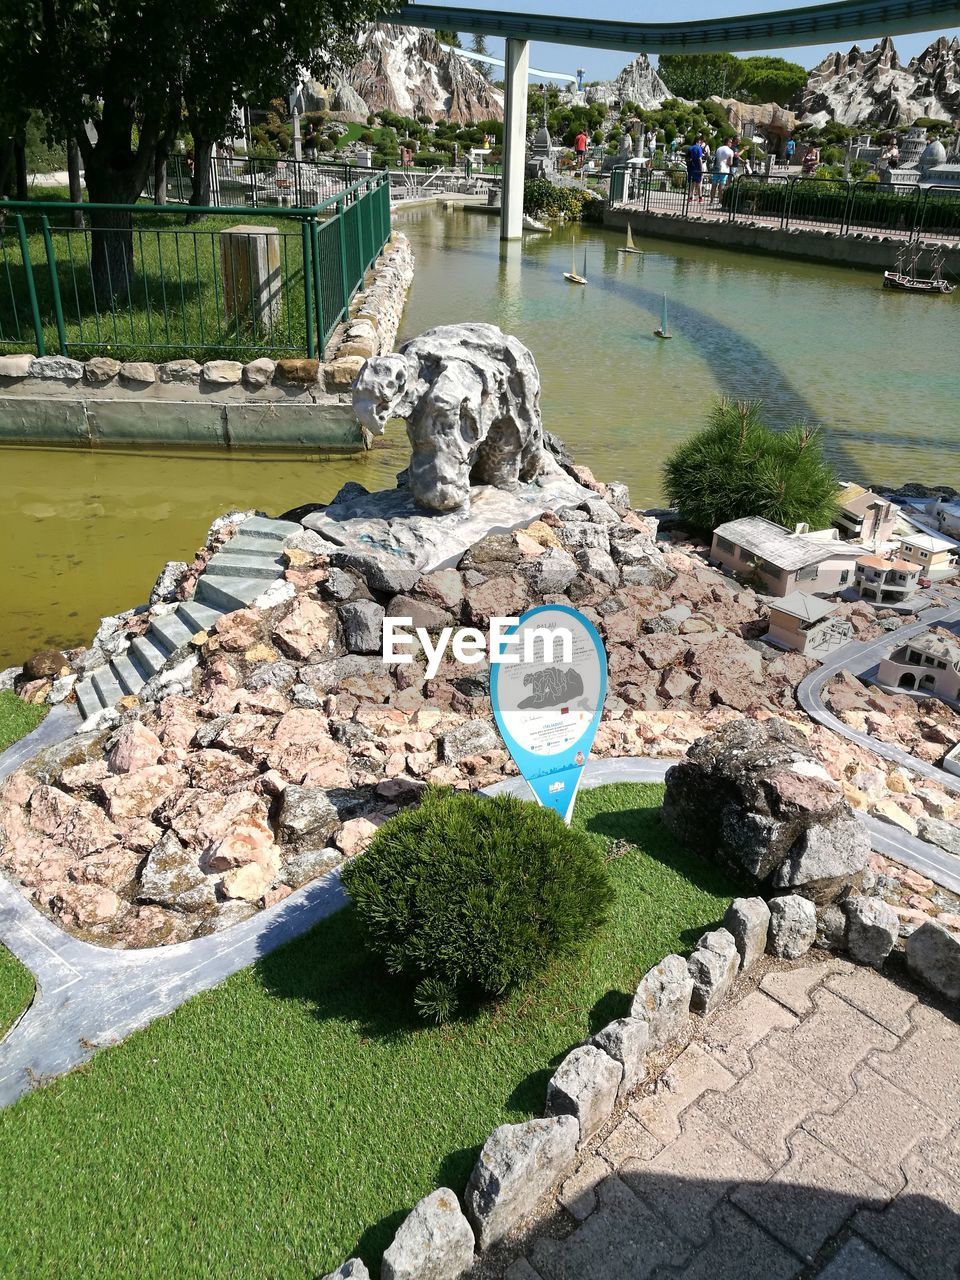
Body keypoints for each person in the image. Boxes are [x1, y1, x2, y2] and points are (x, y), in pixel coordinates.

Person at [711, 135, 734, 203]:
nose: (731, 143)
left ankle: (711, 201)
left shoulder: (719, 149)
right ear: (727, 142)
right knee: (721, 186)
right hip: (724, 170)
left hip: (716, 168)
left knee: (714, 185)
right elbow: (730, 163)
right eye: (730, 142)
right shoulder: (730, 151)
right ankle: (720, 201)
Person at [686, 133, 705, 202]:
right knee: (698, 183)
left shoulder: (690, 148)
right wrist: (701, 168)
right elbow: (699, 159)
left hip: (690, 168)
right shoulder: (698, 148)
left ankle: (690, 197)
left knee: (691, 183)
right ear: (699, 140)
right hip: (697, 168)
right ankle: (700, 198)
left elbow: (686, 158)